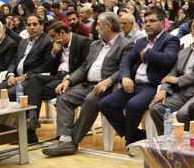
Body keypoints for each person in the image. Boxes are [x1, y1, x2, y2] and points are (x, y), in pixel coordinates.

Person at [42, 13, 132, 156]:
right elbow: (84, 67)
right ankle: (65, 139)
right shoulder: (95, 44)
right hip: (87, 84)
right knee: (63, 97)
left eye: (99, 25)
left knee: (90, 101)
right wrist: (69, 80)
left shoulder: (125, 44)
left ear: (108, 26)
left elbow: (125, 68)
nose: (96, 28)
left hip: (108, 87)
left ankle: (71, 142)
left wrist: (108, 81)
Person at [99, 8, 180, 146]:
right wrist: (125, 77)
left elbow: (169, 59)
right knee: (105, 104)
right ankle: (137, 136)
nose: (147, 24)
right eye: (145, 21)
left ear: (162, 22)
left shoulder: (170, 39)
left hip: (152, 85)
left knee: (133, 105)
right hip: (134, 84)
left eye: (152, 21)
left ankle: (130, 142)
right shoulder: (141, 41)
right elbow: (126, 61)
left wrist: (147, 54)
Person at [24, 21, 90, 136]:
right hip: (58, 76)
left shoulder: (83, 42)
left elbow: (86, 66)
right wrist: (54, 53)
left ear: (62, 33)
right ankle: (32, 118)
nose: (51, 39)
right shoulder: (56, 44)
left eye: (53, 36)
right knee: (34, 79)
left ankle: (31, 128)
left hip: (72, 78)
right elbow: (51, 68)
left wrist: (69, 78)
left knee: (34, 91)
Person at [0, 15, 53, 99]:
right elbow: (14, 61)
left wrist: (24, 76)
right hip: (15, 78)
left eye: (35, 24)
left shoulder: (47, 41)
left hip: (31, 79)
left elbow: (45, 66)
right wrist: (10, 74)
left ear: (42, 26)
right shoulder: (23, 42)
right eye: (29, 25)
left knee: (8, 94)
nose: (32, 27)